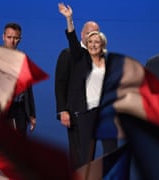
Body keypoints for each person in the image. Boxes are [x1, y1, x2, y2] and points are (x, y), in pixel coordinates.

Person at [56, 3, 117, 169]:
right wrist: (69, 19)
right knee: (83, 155)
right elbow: (61, 83)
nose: (93, 42)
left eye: (96, 39)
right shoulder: (77, 56)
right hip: (83, 112)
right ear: (84, 37)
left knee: (111, 151)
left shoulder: (108, 61)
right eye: (89, 38)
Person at [2, 22, 37, 135]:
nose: (12, 41)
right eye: (9, 37)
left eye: (15, 38)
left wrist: (32, 114)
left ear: (20, 39)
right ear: (3, 37)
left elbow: (28, 88)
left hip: (20, 108)